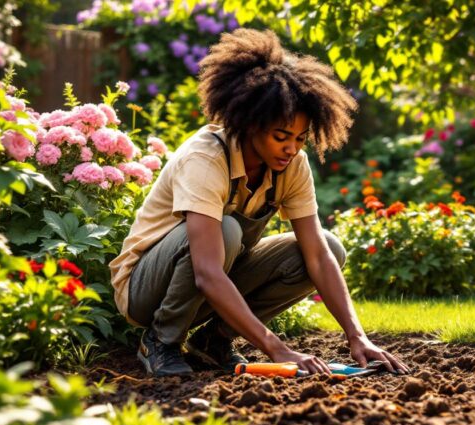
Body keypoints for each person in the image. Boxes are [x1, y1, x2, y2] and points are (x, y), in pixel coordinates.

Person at [109, 29, 409, 377]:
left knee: (329, 246)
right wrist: (277, 349)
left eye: (300, 138)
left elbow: (317, 256)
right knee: (226, 230)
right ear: (251, 125)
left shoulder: (292, 165)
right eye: (280, 137)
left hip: (212, 280)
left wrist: (358, 336)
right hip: (146, 290)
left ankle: (214, 342)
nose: (291, 148)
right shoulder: (206, 159)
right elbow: (207, 271)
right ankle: (161, 341)